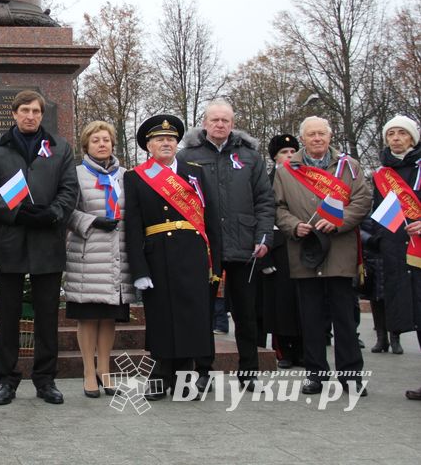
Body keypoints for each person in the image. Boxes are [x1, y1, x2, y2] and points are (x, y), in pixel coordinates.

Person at [0, 90, 78, 406]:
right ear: (14, 113)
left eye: (36, 111)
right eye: (24, 110)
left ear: (42, 114)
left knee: (47, 317)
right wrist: (17, 212)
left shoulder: (60, 148)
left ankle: (45, 379)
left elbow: (69, 190)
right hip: (9, 243)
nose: (30, 116)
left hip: (47, 242)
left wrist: (52, 214)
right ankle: (6, 380)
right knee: (7, 317)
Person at [178, 99, 274, 390]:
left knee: (245, 312)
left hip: (245, 244)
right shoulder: (186, 156)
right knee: (203, 311)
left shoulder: (250, 157)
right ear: (204, 122)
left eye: (225, 121)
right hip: (204, 245)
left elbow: (265, 200)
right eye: (214, 120)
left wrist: (264, 236)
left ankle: (249, 372)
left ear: (233, 124)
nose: (220, 125)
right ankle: (203, 370)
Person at [124, 114, 221, 400]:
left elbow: (211, 220)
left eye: (170, 139)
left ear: (177, 143)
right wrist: (138, 268)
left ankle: (186, 379)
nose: (165, 143)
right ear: (148, 146)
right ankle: (160, 375)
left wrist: (217, 261)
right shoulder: (136, 177)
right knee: (161, 317)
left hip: (193, 254)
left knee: (193, 316)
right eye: (158, 139)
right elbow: (133, 227)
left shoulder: (196, 173)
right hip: (157, 255)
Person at [273, 116, 371, 395]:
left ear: (330, 136)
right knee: (311, 318)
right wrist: (293, 225)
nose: (317, 139)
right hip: (305, 251)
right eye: (311, 134)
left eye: (321, 134)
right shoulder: (286, 170)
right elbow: (277, 207)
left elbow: (363, 200)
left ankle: (351, 376)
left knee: (344, 319)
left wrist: (340, 221)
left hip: (340, 250)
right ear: (302, 138)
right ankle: (316, 374)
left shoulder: (349, 167)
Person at [64, 120, 134, 398]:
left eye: (106, 139)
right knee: (89, 318)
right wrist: (92, 221)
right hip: (88, 257)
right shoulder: (76, 174)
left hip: (118, 257)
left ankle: (105, 371)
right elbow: (66, 210)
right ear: (86, 146)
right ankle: (87, 372)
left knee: (109, 319)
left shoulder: (126, 176)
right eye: (96, 140)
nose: (102, 144)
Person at [368, 116, 421, 398]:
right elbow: (377, 212)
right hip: (397, 252)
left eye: (403, 133)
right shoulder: (381, 174)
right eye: (391, 134)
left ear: (413, 139)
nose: (397, 138)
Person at [259, 134, 303, 369]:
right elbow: (263, 214)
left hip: (302, 244)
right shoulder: (267, 180)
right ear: (275, 157)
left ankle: (304, 350)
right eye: (283, 152)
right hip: (277, 247)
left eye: (291, 152)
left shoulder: (305, 176)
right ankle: (283, 350)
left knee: (302, 302)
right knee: (280, 304)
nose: (288, 156)